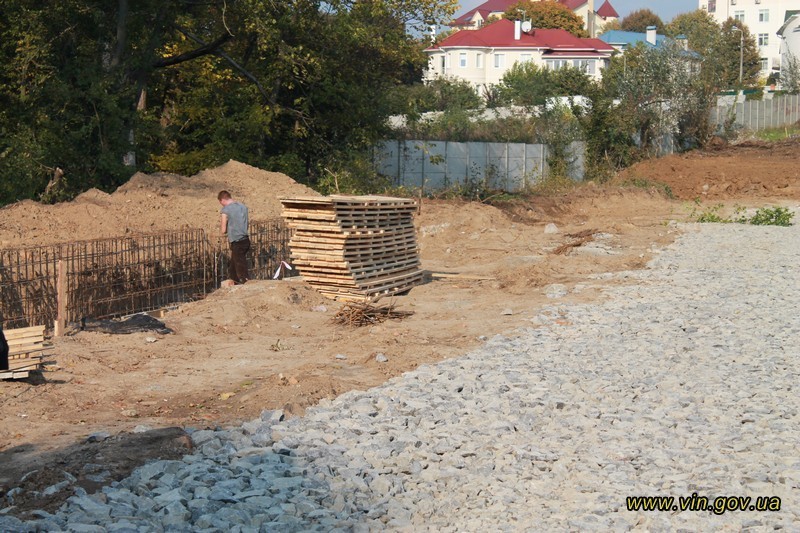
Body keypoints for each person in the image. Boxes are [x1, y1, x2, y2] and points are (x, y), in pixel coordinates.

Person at [218, 190, 250, 285]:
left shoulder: (226, 210)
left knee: (241, 266)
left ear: (222, 200)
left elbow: (223, 230)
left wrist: (225, 229)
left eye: (221, 203)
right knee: (234, 264)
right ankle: (233, 280)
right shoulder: (243, 207)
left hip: (237, 241)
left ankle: (246, 282)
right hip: (245, 239)